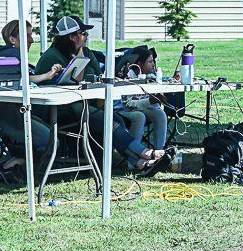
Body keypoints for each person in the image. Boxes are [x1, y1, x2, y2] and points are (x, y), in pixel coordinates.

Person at [34, 15, 169, 174]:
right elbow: (46, 89)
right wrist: (79, 60)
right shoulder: (51, 57)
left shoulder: (87, 52)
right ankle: (145, 154)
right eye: (83, 33)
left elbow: (99, 78)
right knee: (105, 119)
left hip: (86, 104)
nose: (86, 36)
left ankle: (139, 161)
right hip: (61, 109)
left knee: (115, 118)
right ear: (72, 37)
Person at [0, 20, 62, 183]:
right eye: (27, 35)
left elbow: (22, 79)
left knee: (44, 131)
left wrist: (47, 75)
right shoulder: (14, 54)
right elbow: (23, 79)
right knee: (51, 139)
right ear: (12, 38)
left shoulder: (3, 54)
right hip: (1, 118)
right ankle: (14, 167)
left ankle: (14, 165)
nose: (31, 40)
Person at [116, 45, 168, 151]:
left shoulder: (151, 77)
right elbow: (129, 104)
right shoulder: (127, 78)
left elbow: (162, 82)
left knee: (159, 113)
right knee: (139, 116)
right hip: (122, 109)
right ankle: (136, 155)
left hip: (140, 108)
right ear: (139, 64)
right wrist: (151, 101)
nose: (153, 64)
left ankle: (159, 151)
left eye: (153, 61)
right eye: (150, 62)